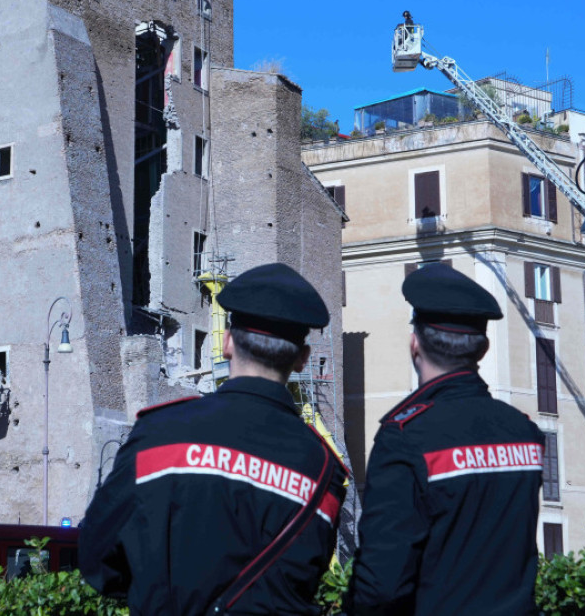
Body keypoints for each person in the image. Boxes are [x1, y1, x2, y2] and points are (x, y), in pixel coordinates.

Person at [80, 263, 347, 615]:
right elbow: (308, 575)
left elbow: (97, 558)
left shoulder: (159, 434)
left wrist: (155, 589)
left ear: (226, 343)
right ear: (302, 359)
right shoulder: (324, 470)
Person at [347, 263, 545, 615]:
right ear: (482, 350)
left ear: (415, 344)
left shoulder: (406, 436)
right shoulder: (523, 431)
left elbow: (381, 584)